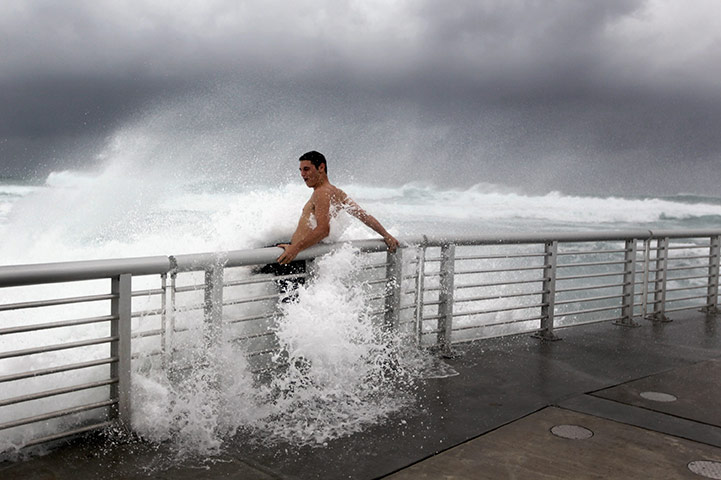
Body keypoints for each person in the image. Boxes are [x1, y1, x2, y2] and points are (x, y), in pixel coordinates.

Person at [277, 151, 400, 265]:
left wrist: (296, 248)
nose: (302, 174)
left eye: (306, 169)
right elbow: (363, 216)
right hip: (303, 256)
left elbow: (324, 230)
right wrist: (386, 235)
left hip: (296, 256)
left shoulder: (321, 193)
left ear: (321, 167)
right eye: (300, 170)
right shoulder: (337, 192)